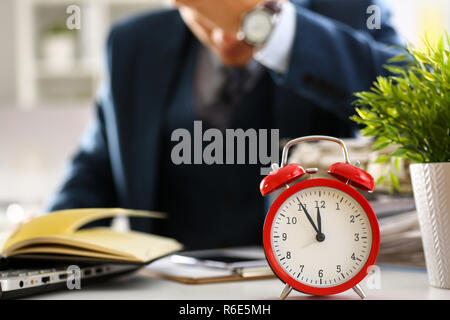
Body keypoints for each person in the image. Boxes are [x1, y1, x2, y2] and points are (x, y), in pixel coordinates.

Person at [47, 0, 402, 249]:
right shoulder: (133, 44)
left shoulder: (353, 11)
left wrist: (274, 31)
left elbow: (417, 97)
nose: (229, 37)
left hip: (307, 281)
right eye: (207, 12)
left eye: (240, 12)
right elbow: (97, 170)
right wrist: (43, 243)